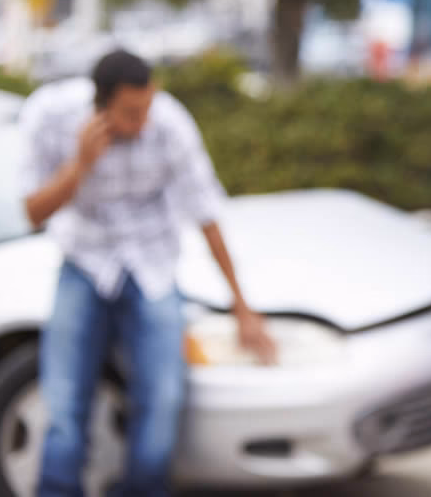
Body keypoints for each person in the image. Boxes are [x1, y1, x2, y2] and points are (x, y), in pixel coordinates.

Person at [21, 49, 278, 497]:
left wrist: (243, 305)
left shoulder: (170, 124)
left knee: (163, 399)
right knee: (63, 402)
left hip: (152, 264)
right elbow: (33, 213)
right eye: (131, 113)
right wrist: (80, 164)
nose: (143, 121)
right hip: (84, 260)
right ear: (100, 107)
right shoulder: (50, 115)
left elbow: (206, 213)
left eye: (147, 107)